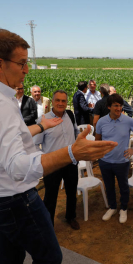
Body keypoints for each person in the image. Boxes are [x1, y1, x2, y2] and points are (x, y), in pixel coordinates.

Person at [0, 28, 117, 264]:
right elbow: (17, 167)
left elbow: (4, 138)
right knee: (49, 257)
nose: (26, 69)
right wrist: (72, 152)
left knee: (10, 255)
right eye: (22, 63)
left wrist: (41, 126)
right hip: (14, 199)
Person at [33, 90, 81, 230]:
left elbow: (76, 132)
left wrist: (77, 148)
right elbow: (35, 144)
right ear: (52, 101)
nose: (60, 103)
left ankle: (70, 216)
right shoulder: (44, 120)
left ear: (67, 103)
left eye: (63, 101)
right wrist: (44, 160)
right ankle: (49, 225)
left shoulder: (70, 115)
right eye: (58, 100)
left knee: (72, 192)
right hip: (52, 164)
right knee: (50, 196)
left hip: (70, 161)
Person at [95, 94, 133, 223]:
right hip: (105, 161)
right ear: (108, 107)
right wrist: (100, 154)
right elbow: (97, 140)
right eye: (116, 105)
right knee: (109, 186)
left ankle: (124, 208)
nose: (119, 108)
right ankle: (112, 207)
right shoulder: (101, 122)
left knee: (123, 186)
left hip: (122, 161)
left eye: (120, 105)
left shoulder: (128, 121)